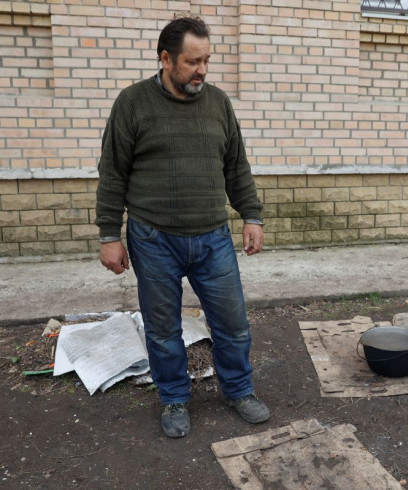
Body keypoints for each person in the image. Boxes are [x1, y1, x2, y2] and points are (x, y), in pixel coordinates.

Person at [95, 15, 270, 438]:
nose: (203, 71)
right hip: (153, 238)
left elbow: (236, 166)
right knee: (162, 329)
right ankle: (174, 398)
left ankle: (239, 390)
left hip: (212, 237)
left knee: (232, 324)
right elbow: (113, 172)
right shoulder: (132, 103)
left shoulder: (218, 103)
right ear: (166, 58)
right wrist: (108, 235)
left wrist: (251, 215)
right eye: (193, 62)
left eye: (207, 60)